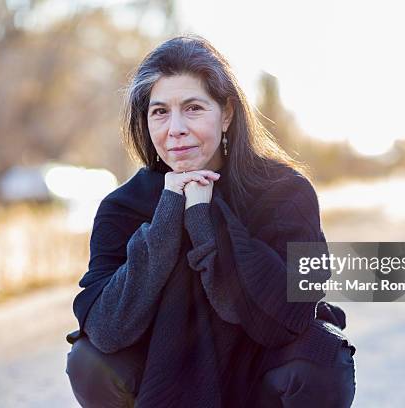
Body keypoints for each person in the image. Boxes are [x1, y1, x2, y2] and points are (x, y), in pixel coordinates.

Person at [65, 34, 356, 407]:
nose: (175, 129)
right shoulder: (122, 206)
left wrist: (207, 215)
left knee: (321, 358)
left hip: (261, 365)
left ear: (227, 114)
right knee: (89, 361)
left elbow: (293, 311)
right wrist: (169, 213)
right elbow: (106, 327)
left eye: (193, 108)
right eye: (160, 112)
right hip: (163, 366)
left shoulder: (285, 192)